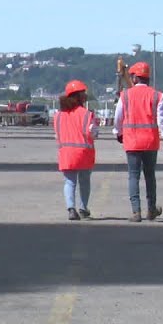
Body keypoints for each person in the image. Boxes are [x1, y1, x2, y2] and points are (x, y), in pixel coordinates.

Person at [114, 61, 163, 222]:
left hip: (131, 141)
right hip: (150, 142)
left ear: (135, 77)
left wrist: (118, 133)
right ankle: (151, 209)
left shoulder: (125, 95)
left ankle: (136, 212)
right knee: (150, 176)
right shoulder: (156, 95)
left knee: (133, 176)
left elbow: (118, 117)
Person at [55, 79, 98, 221]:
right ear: (79, 96)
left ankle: (71, 209)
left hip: (66, 153)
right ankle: (83, 208)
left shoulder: (58, 115)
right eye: (83, 94)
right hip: (83, 153)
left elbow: (57, 134)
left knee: (69, 182)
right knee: (84, 181)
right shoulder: (85, 114)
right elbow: (92, 132)